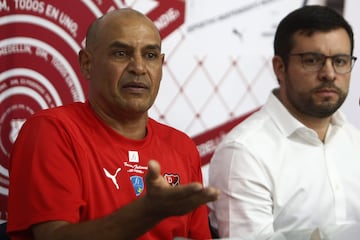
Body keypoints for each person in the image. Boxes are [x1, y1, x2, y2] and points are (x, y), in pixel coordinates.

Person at [7, 8, 220, 240]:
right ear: (87, 64)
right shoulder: (52, 132)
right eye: (121, 53)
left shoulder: (181, 146)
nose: (138, 68)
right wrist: (146, 212)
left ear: (161, 65)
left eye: (149, 56)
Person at [208, 5, 360, 239]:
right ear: (280, 67)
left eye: (340, 61)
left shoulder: (354, 141)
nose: (329, 73)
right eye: (312, 60)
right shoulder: (244, 152)